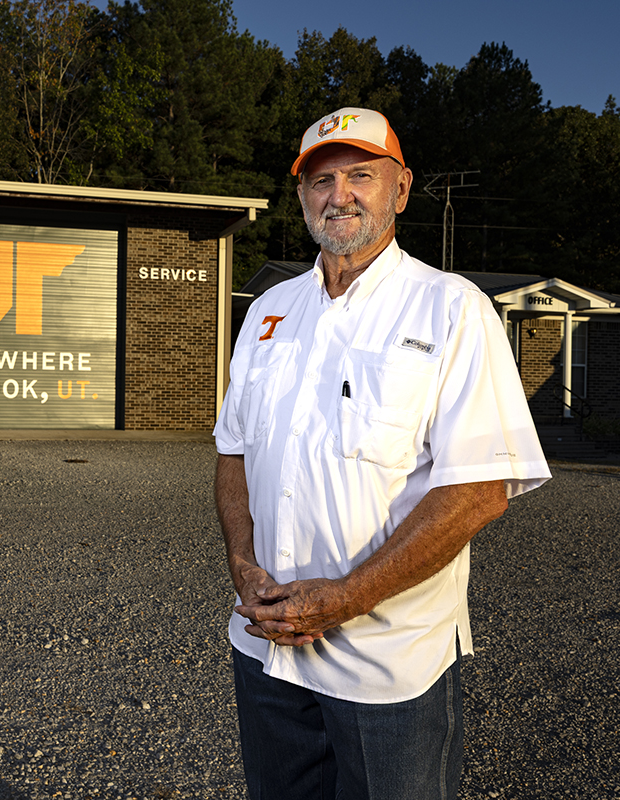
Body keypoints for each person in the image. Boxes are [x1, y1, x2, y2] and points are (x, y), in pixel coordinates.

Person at [213, 107, 551, 799]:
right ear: (301, 195)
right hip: (266, 650)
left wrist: (343, 599)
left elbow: (479, 490)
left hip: (388, 665)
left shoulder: (450, 309)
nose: (339, 195)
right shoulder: (269, 311)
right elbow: (234, 452)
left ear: (400, 189)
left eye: (360, 175)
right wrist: (241, 565)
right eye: (320, 180)